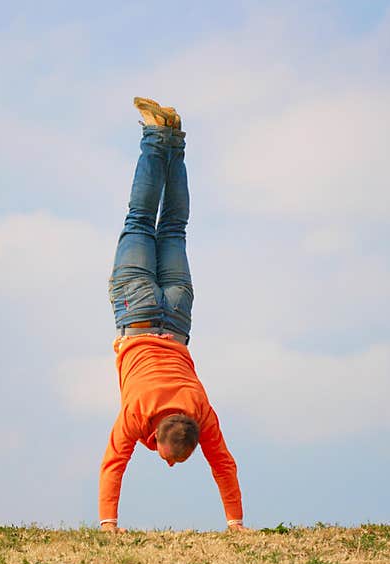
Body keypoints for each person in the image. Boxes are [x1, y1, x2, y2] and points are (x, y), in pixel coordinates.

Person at [98, 97, 248, 533]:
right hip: (138, 310)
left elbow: (224, 462)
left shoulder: (200, 409)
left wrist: (236, 520)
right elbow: (114, 462)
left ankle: (173, 137)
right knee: (141, 220)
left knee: (175, 226)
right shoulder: (139, 410)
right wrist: (108, 523)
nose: (166, 463)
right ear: (162, 437)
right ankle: (152, 133)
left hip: (178, 316)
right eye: (169, 458)